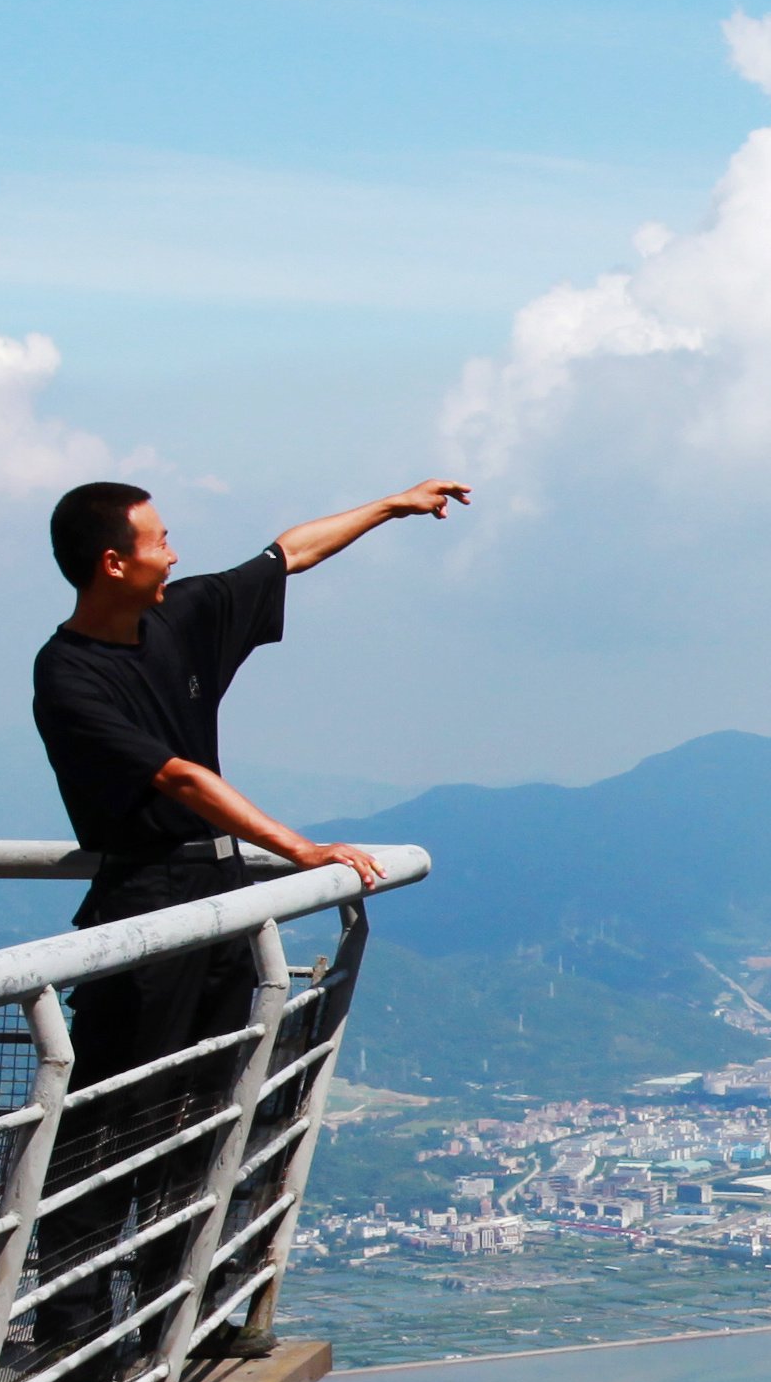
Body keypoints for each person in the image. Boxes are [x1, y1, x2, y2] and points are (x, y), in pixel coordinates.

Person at [28, 473, 471, 1244]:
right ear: (112, 562)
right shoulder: (68, 673)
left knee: (209, 1104)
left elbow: (286, 553)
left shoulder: (182, 617)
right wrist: (301, 849)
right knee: (118, 1111)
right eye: (159, 540)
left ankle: (177, 1308)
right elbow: (178, 775)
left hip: (222, 890)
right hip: (143, 896)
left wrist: (388, 506)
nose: (173, 554)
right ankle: (77, 1331)